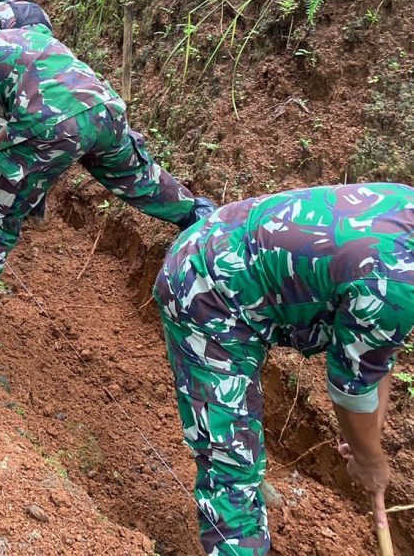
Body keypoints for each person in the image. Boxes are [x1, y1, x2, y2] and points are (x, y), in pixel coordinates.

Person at [156, 184, 414, 556]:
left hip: (236, 257)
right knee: (230, 464)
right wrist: (370, 460)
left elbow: (376, 361)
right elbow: (351, 390)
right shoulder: (395, 283)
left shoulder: (404, 231)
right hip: (204, 287)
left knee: (241, 436)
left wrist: (366, 439)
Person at [0, 26, 214, 331]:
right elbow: (42, 105)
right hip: (103, 108)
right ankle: (200, 217)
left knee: (0, 206)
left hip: (54, 125)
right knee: (138, 177)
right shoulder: (20, 42)